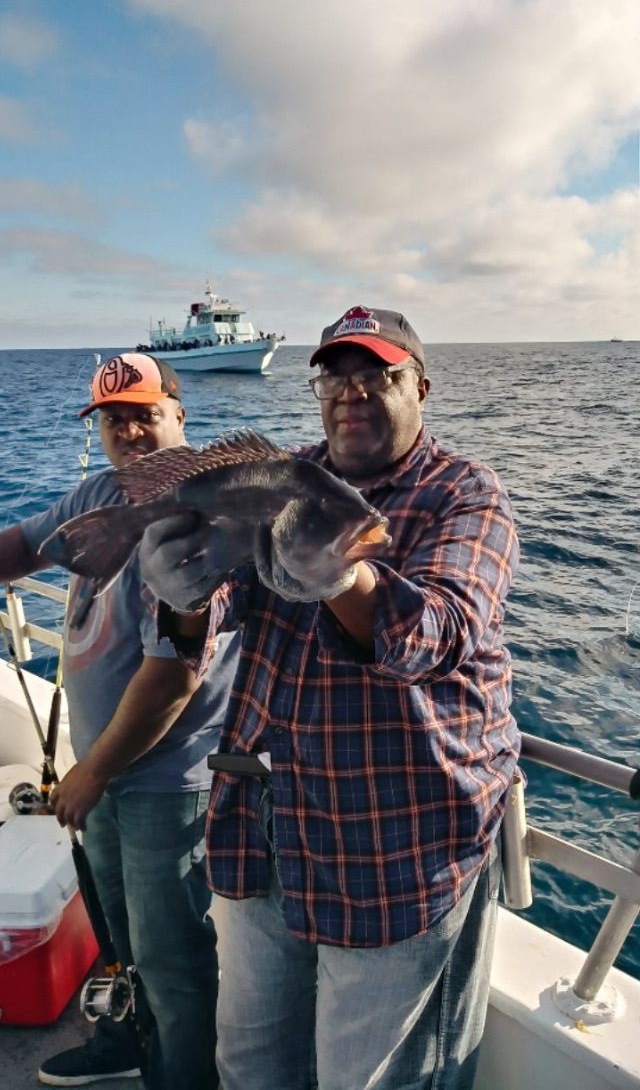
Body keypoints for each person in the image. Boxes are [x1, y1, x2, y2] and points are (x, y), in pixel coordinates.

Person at [139, 306, 521, 1090]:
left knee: (370, 1078)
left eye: (377, 373)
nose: (352, 391)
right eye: (335, 375)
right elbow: (209, 619)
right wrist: (180, 592)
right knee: (248, 1066)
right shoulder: (284, 475)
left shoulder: (466, 494)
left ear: (421, 385)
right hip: (262, 825)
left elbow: (439, 635)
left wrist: (348, 580)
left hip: (399, 843)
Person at [0, 353, 239, 1089]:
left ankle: (180, 1078)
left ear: (179, 415)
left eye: (144, 413)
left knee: (173, 959)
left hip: (166, 779)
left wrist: (93, 771)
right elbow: (19, 548)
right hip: (100, 767)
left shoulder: (203, 515)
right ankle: (127, 1042)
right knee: (120, 935)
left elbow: (172, 674)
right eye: (112, 418)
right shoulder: (97, 494)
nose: (129, 431)